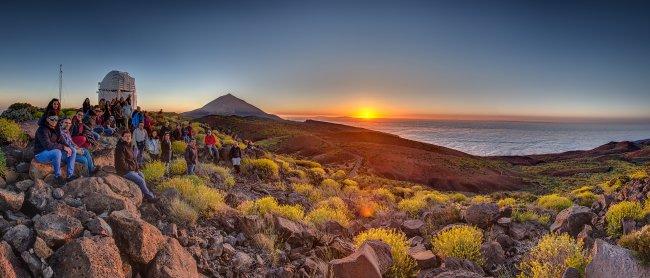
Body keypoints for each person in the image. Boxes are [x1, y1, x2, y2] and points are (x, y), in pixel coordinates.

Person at [114, 130, 156, 202]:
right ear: (122, 137)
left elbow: (134, 159)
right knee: (140, 180)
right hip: (123, 171)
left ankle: (146, 194)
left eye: (129, 136)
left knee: (142, 175)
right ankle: (149, 197)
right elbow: (122, 164)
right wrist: (132, 169)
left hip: (131, 169)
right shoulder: (120, 148)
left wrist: (136, 169)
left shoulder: (129, 146)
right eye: (126, 136)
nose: (128, 138)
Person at [34, 115, 77, 185]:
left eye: (56, 119)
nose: (54, 121)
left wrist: (68, 147)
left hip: (51, 152)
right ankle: (58, 176)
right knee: (57, 152)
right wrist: (63, 147)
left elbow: (62, 141)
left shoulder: (56, 129)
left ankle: (70, 175)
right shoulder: (42, 129)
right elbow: (48, 145)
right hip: (41, 154)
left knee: (73, 150)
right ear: (47, 119)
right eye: (52, 119)